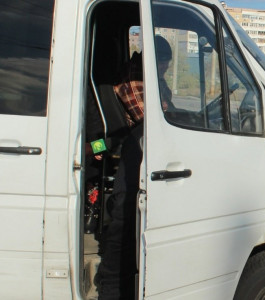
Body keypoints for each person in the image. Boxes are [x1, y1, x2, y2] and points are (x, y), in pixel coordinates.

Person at [96, 35, 173, 300]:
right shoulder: (134, 77)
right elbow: (150, 117)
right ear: (154, 58)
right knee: (123, 221)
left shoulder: (150, 75)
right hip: (115, 143)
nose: (165, 69)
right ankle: (110, 287)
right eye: (163, 63)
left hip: (129, 142)